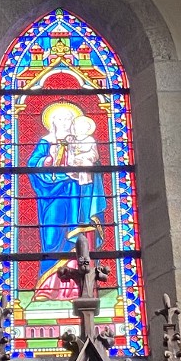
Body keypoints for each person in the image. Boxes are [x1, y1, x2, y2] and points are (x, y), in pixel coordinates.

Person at [27, 102, 106, 300]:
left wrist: (85, 165)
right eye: (60, 119)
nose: (64, 122)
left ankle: (81, 288)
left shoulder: (81, 141)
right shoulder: (46, 142)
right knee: (52, 239)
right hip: (53, 195)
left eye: (69, 119)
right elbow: (32, 164)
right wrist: (46, 162)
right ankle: (47, 288)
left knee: (79, 235)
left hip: (77, 195)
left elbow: (94, 162)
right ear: (52, 122)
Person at [68, 115, 99, 186]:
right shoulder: (72, 140)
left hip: (86, 161)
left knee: (86, 164)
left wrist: (83, 157)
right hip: (74, 162)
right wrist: (72, 159)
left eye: (79, 127)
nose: (75, 129)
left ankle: (85, 182)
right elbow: (70, 152)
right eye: (75, 127)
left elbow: (94, 154)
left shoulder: (90, 139)